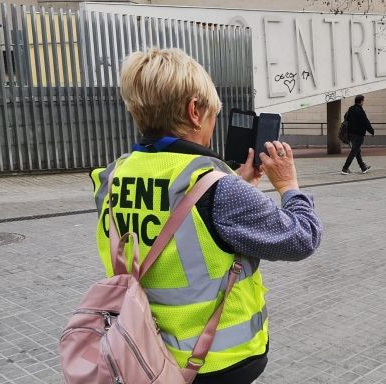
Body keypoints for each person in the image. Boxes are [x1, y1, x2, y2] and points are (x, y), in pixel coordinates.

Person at [89, 48, 322, 384]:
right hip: (213, 362)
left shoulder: (111, 177)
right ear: (194, 111)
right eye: (213, 115)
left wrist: (236, 185)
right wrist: (288, 185)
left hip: (141, 350)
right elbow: (303, 238)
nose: (213, 126)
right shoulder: (218, 188)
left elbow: (176, 218)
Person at [341, 95, 375, 175]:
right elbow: (365, 122)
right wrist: (371, 131)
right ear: (361, 101)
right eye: (363, 101)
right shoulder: (360, 111)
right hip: (358, 134)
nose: (363, 102)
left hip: (351, 134)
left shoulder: (351, 109)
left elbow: (345, 117)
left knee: (357, 151)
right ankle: (345, 168)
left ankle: (363, 167)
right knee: (354, 151)